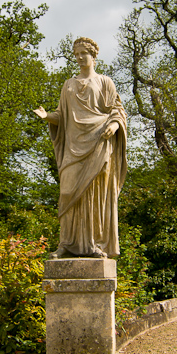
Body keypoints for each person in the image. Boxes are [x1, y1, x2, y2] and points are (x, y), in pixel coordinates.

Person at [34, 37, 127, 258]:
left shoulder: (105, 82)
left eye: (83, 53)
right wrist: (48, 116)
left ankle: (94, 244)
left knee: (94, 195)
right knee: (67, 192)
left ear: (93, 55)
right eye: (76, 54)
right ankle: (66, 243)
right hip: (73, 149)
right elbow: (62, 116)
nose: (79, 57)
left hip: (98, 144)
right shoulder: (68, 84)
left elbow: (118, 111)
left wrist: (114, 125)